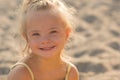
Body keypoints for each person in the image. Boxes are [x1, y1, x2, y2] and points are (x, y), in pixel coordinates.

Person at [8, 0, 79, 80]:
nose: (45, 40)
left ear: (67, 34)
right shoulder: (21, 74)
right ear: (26, 38)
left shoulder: (70, 72)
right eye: (36, 34)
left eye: (53, 32)